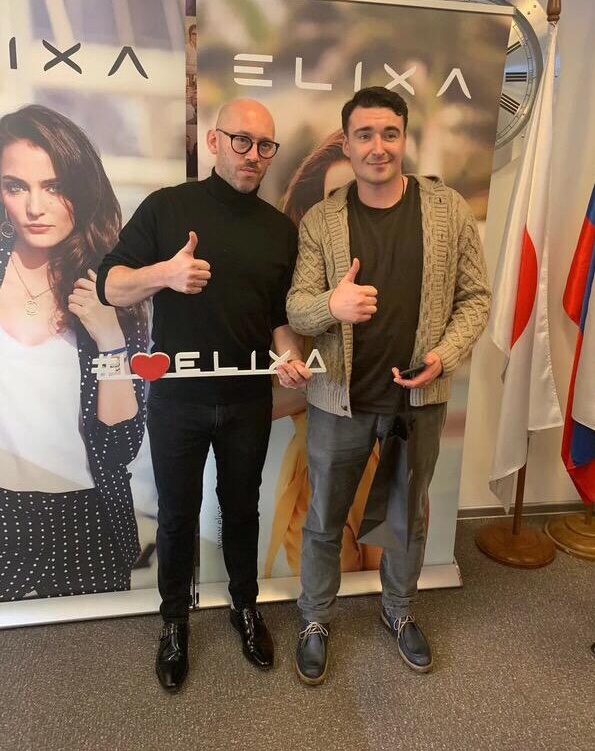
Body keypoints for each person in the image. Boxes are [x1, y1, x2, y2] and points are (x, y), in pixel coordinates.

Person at [96, 98, 312, 692]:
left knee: (242, 508)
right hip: (178, 401)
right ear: (214, 141)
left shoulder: (278, 230)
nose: (253, 155)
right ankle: (174, 622)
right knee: (176, 514)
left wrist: (288, 355)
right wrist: (164, 275)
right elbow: (110, 284)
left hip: (247, 400)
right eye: (241, 141)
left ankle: (245, 607)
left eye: (264, 145)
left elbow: (278, 317)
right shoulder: (168, 207)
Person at [287, 86, 491, 684]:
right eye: (365, 135)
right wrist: (332, 304)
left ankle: (399, 610)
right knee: (324, 518)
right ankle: (315, 620)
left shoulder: (448, 209)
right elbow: (297, 307)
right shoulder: (323, 221)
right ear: (347, 145)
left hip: (417, 401)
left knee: (407, 519)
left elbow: (476, 297)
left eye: (389, 133)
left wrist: (445, 355)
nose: (378, 147)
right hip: (339, 401)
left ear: (404, 138)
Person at [0, 105, 147, 602]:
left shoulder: (110, 285)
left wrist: (109, 338)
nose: (34, 207)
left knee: (94, 649)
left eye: (53, 186)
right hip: (4, 514)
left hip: (88, 516)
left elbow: (121, 443)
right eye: (16, 186)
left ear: (81, 190)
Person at [265, 130, 382, 578]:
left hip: (386, 460)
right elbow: (263, 399)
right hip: (316, 468)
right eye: (333, 197)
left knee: (384, 580)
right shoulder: (289, 289)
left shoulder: (394, 273)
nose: (345, 210)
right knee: (327, 583)